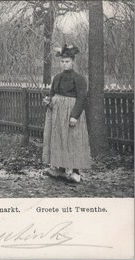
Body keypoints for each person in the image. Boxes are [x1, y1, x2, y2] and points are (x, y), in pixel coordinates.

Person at [42, 44, 92, 183]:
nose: (64, 64)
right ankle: (59, 168)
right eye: (62, 62)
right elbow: (52, 93)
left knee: (72, 139)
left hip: (70, 112)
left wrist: (74, 116)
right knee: (58, 139)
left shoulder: (79, 79)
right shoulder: (57, 77)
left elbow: (82, 98)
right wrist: (48, 101)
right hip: (56, 113)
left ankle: (75, 171)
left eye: (67, 61)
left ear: (73, 62)